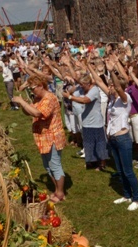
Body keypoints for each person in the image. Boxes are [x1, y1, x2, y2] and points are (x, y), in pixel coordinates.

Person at [87, 58, 138, 211]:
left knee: (128, 171)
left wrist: (111, 70)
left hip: (123, 138)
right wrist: (88, 66)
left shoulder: (125, 99)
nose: (109, 87)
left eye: (111, 86)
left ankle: (137, 198)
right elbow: (98, 81)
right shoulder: (112, 100)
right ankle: (126, 195)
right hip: (113, 139)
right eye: (109, 86)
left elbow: (117, 86)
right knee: (120, 170)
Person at [12, 75, 66, 203]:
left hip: (52, 136)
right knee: (47, 166)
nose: (31, 91)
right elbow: (30, 112)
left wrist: (23, 102)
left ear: (41, 86)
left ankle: (60, 193)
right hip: (43, 137)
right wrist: (23, 105)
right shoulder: (38, 98)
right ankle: (57, 189)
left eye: (33, 88)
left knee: (55, 165)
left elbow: (37, 113)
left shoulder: (49, 98)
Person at [63, 73, 109, 170]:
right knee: (88, 143)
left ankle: (102, 163)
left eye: (83, 85)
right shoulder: (82, 88)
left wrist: (70, 97)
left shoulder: (94, 90)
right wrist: (75, 88)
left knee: (99, 143)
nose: (82, 87)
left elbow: (85, 100)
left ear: (88, 83)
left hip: (96, 122)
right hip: (86, 121)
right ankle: (91, 161)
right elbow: (71, 93)